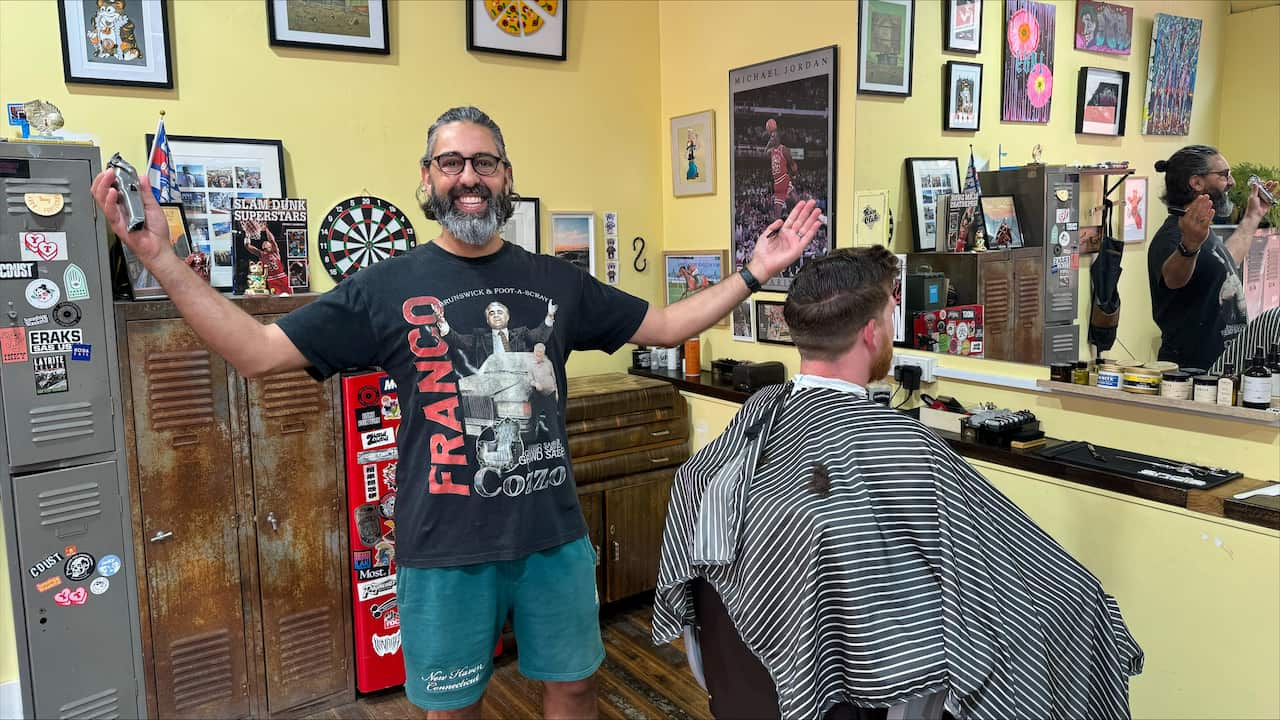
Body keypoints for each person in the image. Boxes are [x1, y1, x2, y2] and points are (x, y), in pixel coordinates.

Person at [89, 105, 823, 720]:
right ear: (428, 180)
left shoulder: (553, 282)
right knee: (453, 706)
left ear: (506, 177)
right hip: (442, 548)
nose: (468, 176)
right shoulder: (385, 286)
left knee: (573, 684)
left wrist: (754, 272)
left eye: (484, 162)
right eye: (451, 163)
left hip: (552, 539)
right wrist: (159, 257)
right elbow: (254, 350)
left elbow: (663, 326)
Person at [653, 246, 1144, 720]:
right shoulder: (905, 447)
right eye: (890, 317)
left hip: (742, 698)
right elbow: (1018, 585)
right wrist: (1086, 607)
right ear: (871, 334)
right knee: (1072, 607)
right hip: (841, 704)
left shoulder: (743, 434)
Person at [1148, 145, 1277, 369]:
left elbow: (1225, 260)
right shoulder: (1173, 236)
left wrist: (1253, 216)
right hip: (1193, 370)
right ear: (1196, 183)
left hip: (1222, 365)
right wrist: (1189, 245)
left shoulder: (1201, 230)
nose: (1232, 182)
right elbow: (1173, 279)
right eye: (1224, 175)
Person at [764, 118, 798, 221]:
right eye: (771, 137)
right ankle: (779, 232)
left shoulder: (784, 150)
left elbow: (793, 165)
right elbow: (764, 153)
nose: (772, 138)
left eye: (774, 137)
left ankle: (814, 217)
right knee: (776, 216)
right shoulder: (771, 151)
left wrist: (793, 177)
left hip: (785, 179)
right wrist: (769, 142)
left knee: (797, 203)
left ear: (778, 138)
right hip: (777, 184)